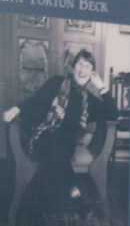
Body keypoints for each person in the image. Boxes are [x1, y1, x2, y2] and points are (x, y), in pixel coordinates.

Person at [2, 49, 115, 208]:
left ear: (92, 73)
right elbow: (35, 102)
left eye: (88, 67)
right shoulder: (56, 83)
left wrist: (102, 87)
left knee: (59, 147)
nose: (82, 70)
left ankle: (39, 207)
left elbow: (112, 113)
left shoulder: (89, 101)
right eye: (80, 65)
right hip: (43, 135)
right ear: (73, 67)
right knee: (53, 144)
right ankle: (73, 189)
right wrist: (16, 109)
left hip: (66, 143)